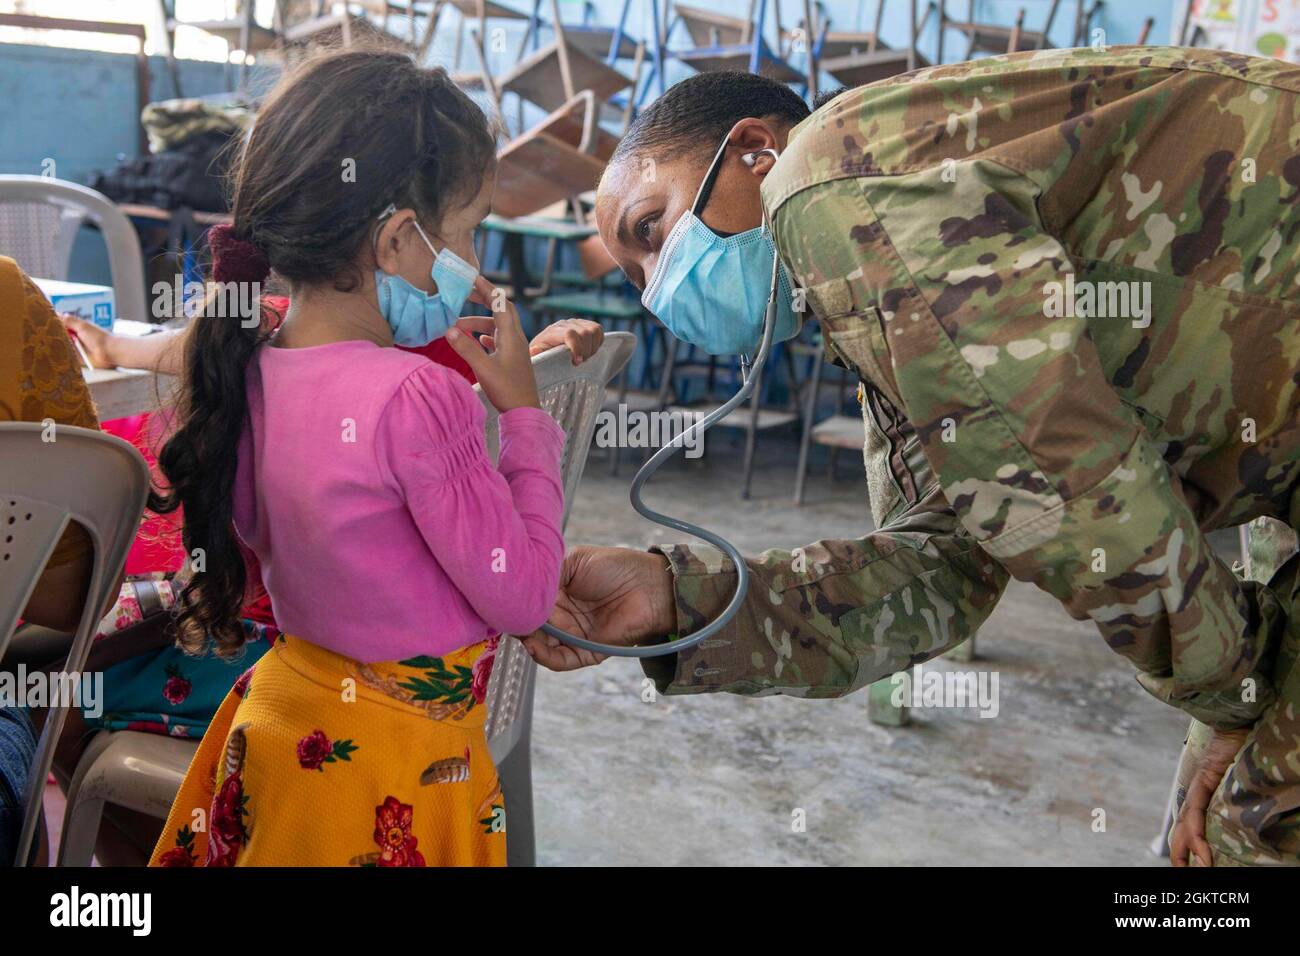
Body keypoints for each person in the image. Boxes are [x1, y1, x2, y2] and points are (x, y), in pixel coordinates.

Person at [525, 49, 1300, 867]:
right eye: (637, 273)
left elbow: (1068, 494)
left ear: (757, 149)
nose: (658, 286)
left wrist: (1231, 697)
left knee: (1246, 831)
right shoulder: (878, 289)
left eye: (651, 230)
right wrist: (679, 598)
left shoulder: (828, 179)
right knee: (1215, 819)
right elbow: (941, 568)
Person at [147, 48, 565, 866]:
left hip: (280, 731)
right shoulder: (416, 395)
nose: (476, 259)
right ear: (401, 241)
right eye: (471, 226)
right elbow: (522, 597)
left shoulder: (244, 368)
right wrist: (523, 418)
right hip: (394, 773)